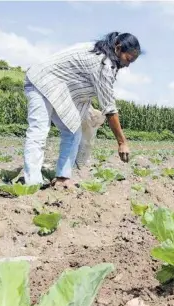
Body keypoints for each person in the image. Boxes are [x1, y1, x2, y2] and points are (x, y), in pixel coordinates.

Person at [22, 31, 142, 189]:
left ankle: (63, 178)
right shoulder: (103, 64)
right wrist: (122, 142)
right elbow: (110, 108)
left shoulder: (99, 51)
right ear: (118, 48)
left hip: (58, 89)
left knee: (73, 132)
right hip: (41, 82)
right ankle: (32, 183)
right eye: (128, 59)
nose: (127, 65)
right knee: (39, 130)